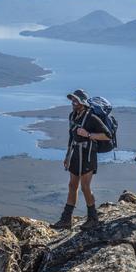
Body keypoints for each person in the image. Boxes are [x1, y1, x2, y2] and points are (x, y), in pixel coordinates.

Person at [50, 89, 112, 230]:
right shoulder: (73, 116)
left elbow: (107, 136)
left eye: (76, 100)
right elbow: (72, 137)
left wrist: (88, 134)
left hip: (88, 155)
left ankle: (93, 218)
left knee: (85, 187)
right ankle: (66, 219)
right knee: (72, 186)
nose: (73, 102)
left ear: (82, 102)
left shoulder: (91, 118)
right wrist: (67, 155)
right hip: (75, 154)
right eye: (72, 100)